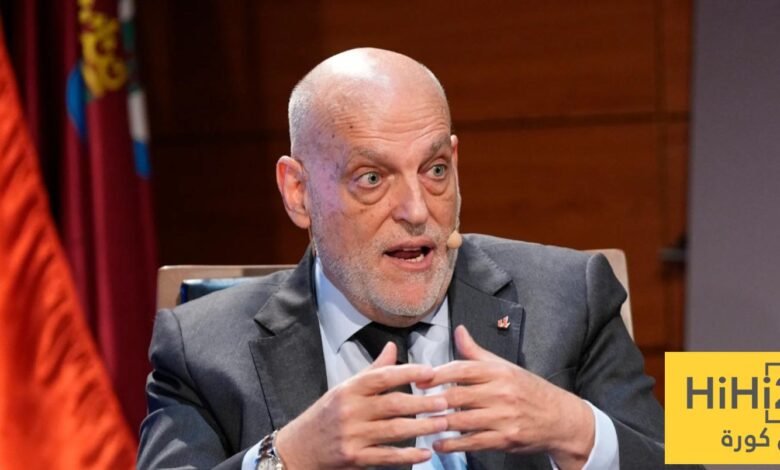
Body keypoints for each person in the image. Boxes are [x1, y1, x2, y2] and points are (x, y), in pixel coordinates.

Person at [138, 48, 692, 470]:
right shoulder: (201, 350)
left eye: (434, 171)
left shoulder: (570, 297)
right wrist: (289, 457)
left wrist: (574, 428)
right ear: (298, 192)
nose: (416, 210)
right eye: (371, 178)